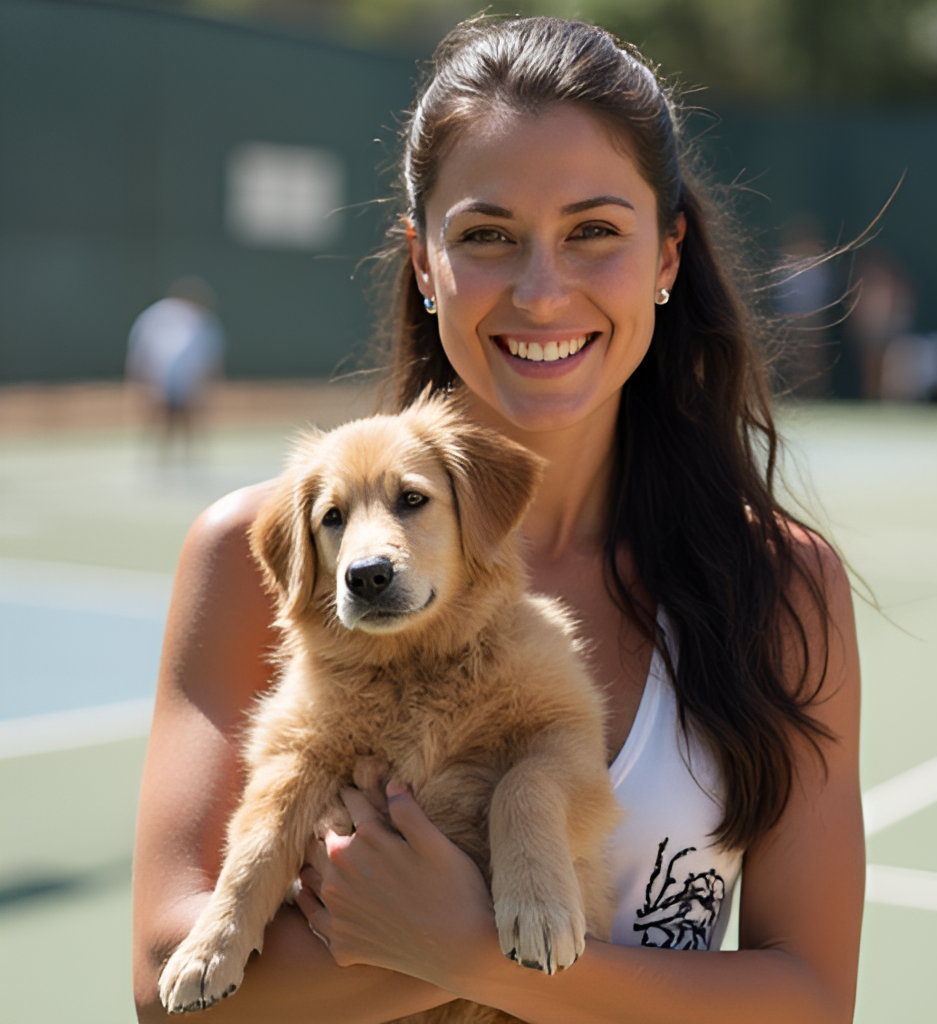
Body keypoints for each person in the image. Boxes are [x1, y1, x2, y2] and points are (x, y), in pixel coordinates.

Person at [133, 16, 863, 1023]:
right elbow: (167, 989)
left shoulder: (779, 584)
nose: (540, 288)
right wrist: (443, 951)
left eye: (593, 230)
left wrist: (472, 952)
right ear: (423, 262)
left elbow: (812, 1001)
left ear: (666, 253)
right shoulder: (263, 549)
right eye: (486, 235)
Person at [126, 276, 224, 461]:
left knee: (188, 422)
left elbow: (210, 358)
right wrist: (141, 379)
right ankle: (158, 459)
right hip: (159, 382)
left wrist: (205, 384)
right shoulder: (159, 316)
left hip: (189, 384)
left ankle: (188, 459)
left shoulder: (203, 322)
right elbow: (142, 350)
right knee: (159, 420)